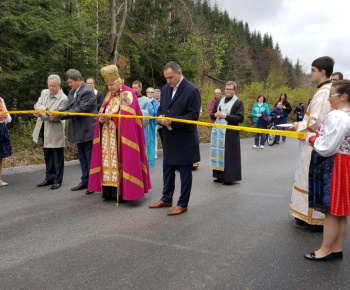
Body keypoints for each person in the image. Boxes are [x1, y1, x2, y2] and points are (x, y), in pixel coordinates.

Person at [88, 65, 151, 202]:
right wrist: (102, 118)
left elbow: (129, 117)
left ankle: (123, 192)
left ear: (119, 81)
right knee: (107, 163)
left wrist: (112, 117)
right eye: (107, 85)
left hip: (120, 137)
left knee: (120, 162)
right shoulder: (109, 96)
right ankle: (109, 192)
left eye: (112, 84)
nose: (110, 88)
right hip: (106, 137)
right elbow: (102, 111)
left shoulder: (128, 94)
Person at [304, 79, 350, 261]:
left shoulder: (338, 116)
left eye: (332, 96)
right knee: (340, 211)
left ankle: (325, 250)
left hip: (335, 164)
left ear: (344, 96)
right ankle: (336, 248)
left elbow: (327, 147)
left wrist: (311, 138)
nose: (329, 99)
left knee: (331, 211)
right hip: (343, 162)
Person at [148, 61, 201, 215]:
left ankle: (183, 203)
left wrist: (172, 121)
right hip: (169, 136)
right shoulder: (165, 89)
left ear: (179, 73)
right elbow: (160, 108)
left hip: (184, 138)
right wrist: (159, 117)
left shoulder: (192, 90)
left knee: (185, 172)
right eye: (166, 78)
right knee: (167, 168)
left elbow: (193, 116)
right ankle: (166, 198)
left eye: (170, 77)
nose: (168, 81)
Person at [290, 56, 334, 229]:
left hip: (314, 145)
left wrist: (297, 125)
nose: (310, 74)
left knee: (309, 178)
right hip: (312, 143)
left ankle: (312, 217)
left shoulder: (324, 92)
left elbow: (317, 121)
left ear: (322, 72)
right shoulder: (325, 90)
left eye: (313, 70)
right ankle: (304, 214)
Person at [54, 69, 97, 195]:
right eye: (68, 82)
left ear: (78, 80)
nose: (69, 84)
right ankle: (85, 180)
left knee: (90, 158)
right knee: (82, 158)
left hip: (88, 129)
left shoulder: (88, 91)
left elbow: (80, 109)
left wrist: (62, 114)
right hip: (77, 130)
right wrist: (58, 112)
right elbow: (70, 107)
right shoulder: (72, 92)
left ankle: (92, 183)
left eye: (71, 82)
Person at [33, 75, 68, 190]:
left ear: (59, 85)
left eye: (54, 86)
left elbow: (55, 116)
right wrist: (43, 109)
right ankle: (49, 177)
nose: (51, 88)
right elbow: (37, 105)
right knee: (47, 153)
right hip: (44, 127)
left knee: (57, 155)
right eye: (49, 85)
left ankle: (58, 180)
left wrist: (42, 113)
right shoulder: (44, 92)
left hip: (55, 129)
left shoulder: (64, 99)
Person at [210, 81, 244, 184]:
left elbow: (240, 118)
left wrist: (226, 116)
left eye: (230, 89)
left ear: (235, 90)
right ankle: (219, 175)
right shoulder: (219, 101)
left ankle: (230, 177)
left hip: (230, 133)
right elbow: (212, 114)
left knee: (229, 154)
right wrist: (215, 115)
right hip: (218, 131)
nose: (228, 91)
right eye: (226, 89)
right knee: (218, 151)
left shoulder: (238, 102)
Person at [132, 81, 155, 168]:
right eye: (133, 88)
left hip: (144, 128)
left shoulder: (147, 100)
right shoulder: (129, 100)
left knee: (144, 145)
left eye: (136, 88)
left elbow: (152, 113)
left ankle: (144, 164)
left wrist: (141, 113)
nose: (134, 90)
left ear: (141, 88)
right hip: (132, 128)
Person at [0, 96, 12, 186]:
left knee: (1, 156)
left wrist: (5, 116)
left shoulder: (1, 100)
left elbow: (8, 118)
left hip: (1, 128)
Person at [146, 87, 159, 165]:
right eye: (149, 92)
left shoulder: (155, 102)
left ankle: (154, 152)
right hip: (145, 122)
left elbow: (156, 112)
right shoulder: (144, 100)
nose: (150, 93)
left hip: (153, 122)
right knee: (146, 136)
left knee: (153, 137)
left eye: (151, 92)